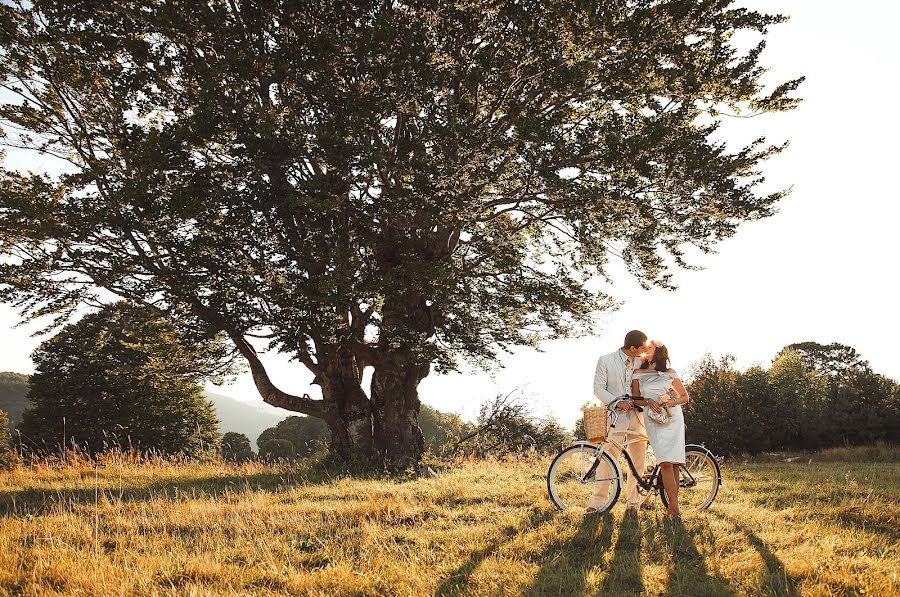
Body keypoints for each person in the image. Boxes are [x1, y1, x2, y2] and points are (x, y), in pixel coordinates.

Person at [588, 329, 649, 512]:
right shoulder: (605, 360)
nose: (643, 351)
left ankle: (633, 503)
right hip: (615, 417)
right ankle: (597, 503)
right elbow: (598, 389)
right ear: (632, 348)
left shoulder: (642, 363)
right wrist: (617, 401)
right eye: (641, 348)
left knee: (638, 460)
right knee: (608, 459)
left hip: (638, 417)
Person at [630, 340, 690, 518]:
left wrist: (671, 402)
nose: (645, 349)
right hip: (653, 418)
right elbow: (636, 399)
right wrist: (648, 401)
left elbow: (685, 397)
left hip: (673, 417)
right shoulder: (638, 373)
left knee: (675, 463)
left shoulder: (670, 372)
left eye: (649, 347)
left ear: (658, 352)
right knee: (664, 461)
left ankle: (673, 507)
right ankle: (675, 508)